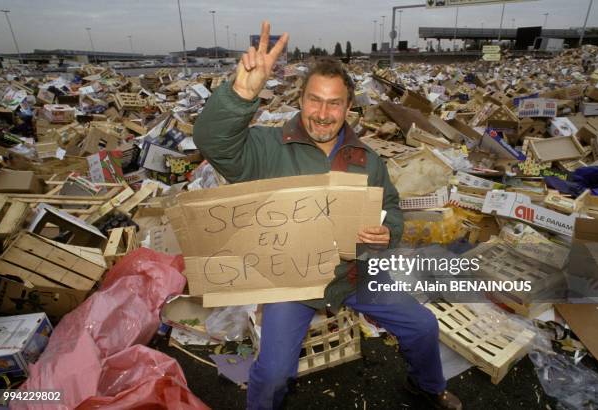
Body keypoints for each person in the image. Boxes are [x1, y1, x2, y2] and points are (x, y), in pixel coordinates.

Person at [194, 21, 462, 410]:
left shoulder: (366, 160)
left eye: (334, 103)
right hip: (294, 283)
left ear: (348, 107)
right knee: (272, 374)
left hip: (356, 274)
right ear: (300, 100)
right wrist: (240, 95)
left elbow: (390, 207)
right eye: (314, 100)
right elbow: (211, 140)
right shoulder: (267, 149)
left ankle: (426, 386)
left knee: (422, 326)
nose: (322, 113)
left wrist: (388, 234)